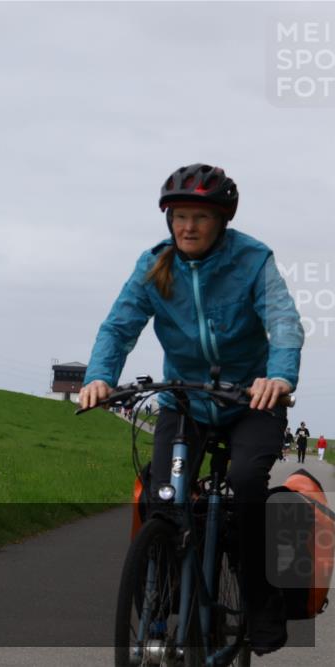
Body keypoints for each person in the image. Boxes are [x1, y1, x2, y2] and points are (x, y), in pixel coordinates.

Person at [78, 164, 304, 655]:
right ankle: (159, 605)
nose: (188, 227)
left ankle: (259, 600)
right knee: (161, 496)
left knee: (245, 485)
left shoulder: (252, 260)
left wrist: (280, 377)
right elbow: (119, 327)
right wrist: (99, 376)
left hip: (251, 400)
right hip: (185, 399)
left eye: (200, 217)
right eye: (179, 216)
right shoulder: (154, 264)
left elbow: (284, 322)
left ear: (222, 220)